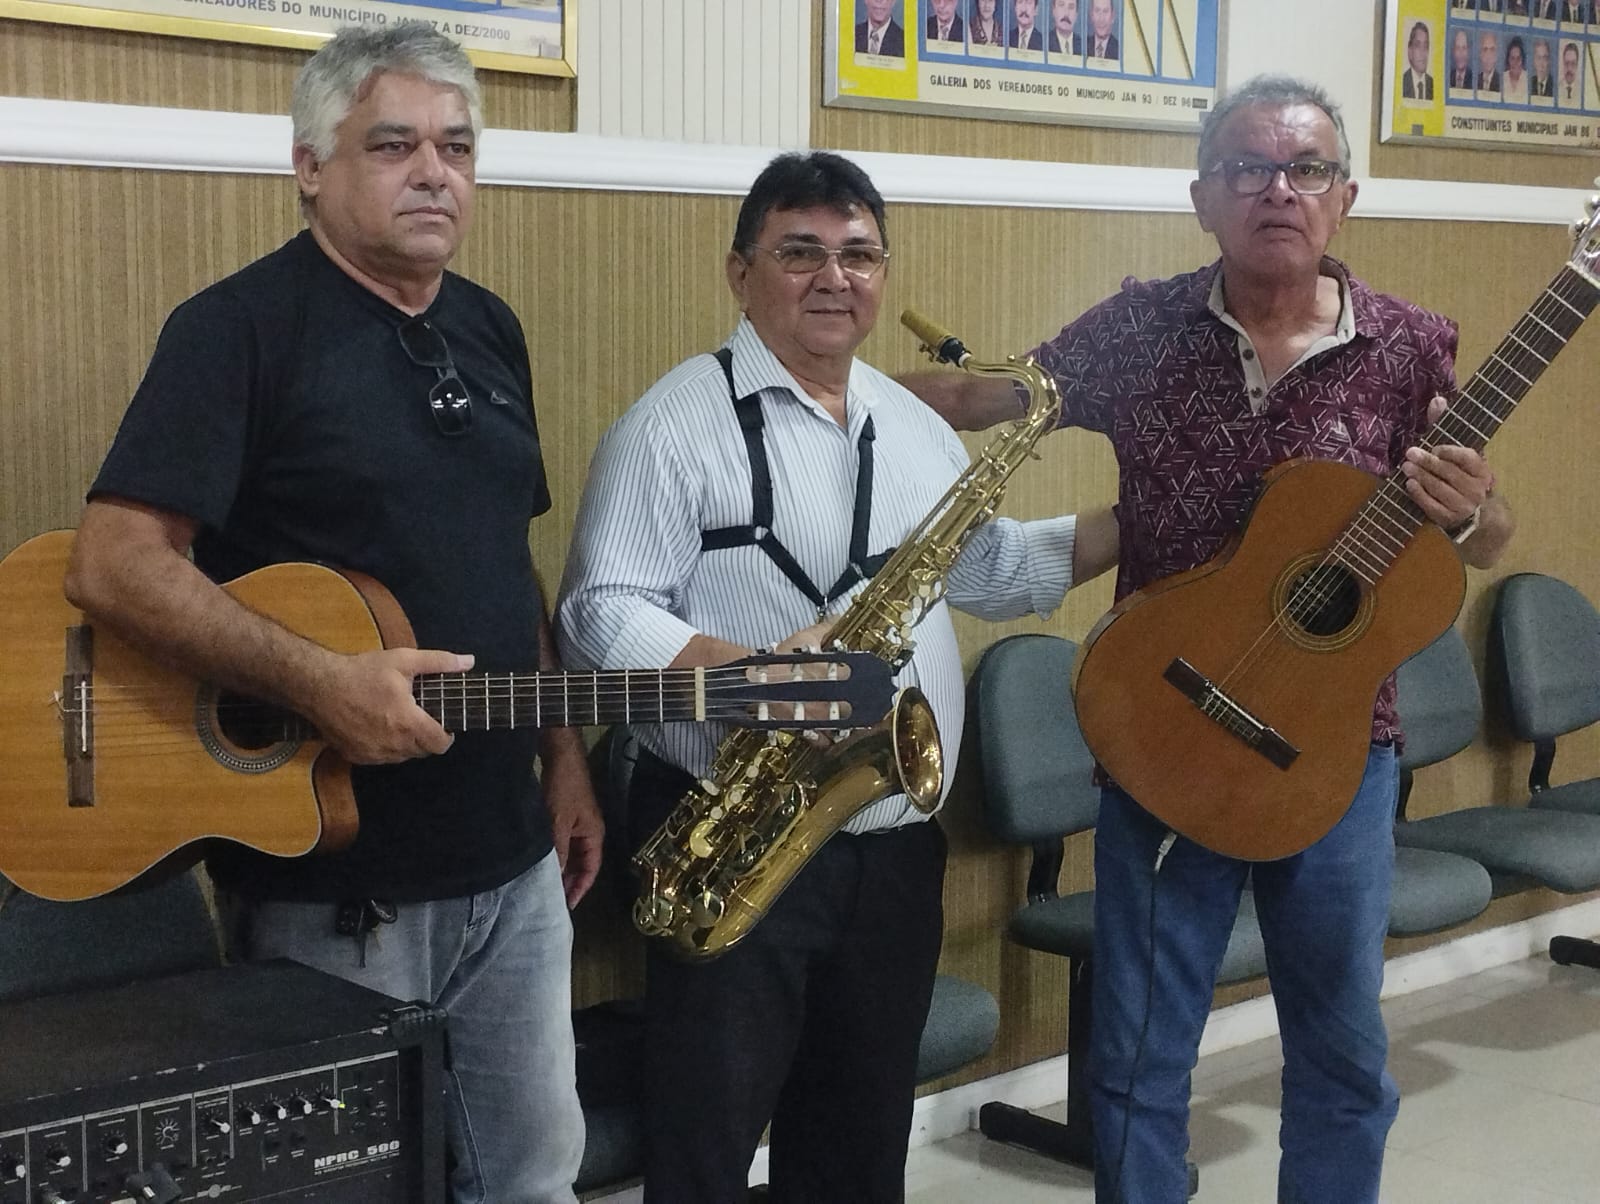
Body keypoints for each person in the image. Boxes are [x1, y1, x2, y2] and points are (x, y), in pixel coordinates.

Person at [904, 75, 1514, 1204]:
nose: (1278, 190)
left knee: (1342, 1053)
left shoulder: (1411, 347)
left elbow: (1481, 538)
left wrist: (1476, 513)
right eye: (1247, 168)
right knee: (1137, 1055)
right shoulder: (1137, 328)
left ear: (1345, 196)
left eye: (1306, 169)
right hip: (1166, 731)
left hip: (1336, 753)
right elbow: (994, 399)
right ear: (1201, 197)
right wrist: (827, 389)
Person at [61, 23, 600, 1204]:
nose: (435, 173)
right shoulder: (238, 329)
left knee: (531, 1183)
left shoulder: (489, 327)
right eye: (394, 145)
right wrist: (319, 680)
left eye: (457, 147)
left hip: (511, 871)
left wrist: (563, 761)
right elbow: (114, 563)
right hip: (336, 889)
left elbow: (506, 563)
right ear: (309, 166)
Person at [556, 150, 1115, 1204]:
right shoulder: (672, 423)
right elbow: (596, 611)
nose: (834, 277)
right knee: (706, 1146)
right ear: (741, 273)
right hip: (734, 823)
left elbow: (987, 570)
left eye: (859, 255)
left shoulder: (913, 424)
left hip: (892, 844)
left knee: (859, 1147)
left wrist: (1141, 525)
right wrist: (751, 675)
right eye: (800, 252)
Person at [1403, 21, 1435, 99]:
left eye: (1426, 46)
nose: (1422, 52)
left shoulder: (1433, 84)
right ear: (1410, 51)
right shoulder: (1401, 82)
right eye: (1418, 46)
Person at [1504, 35, 1531, 99]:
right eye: (1512, 58)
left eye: (1518, 58)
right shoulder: (1502, 78)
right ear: (1508, 59)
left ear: (1522, 60)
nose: (1515, 62)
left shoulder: (1528, 79)